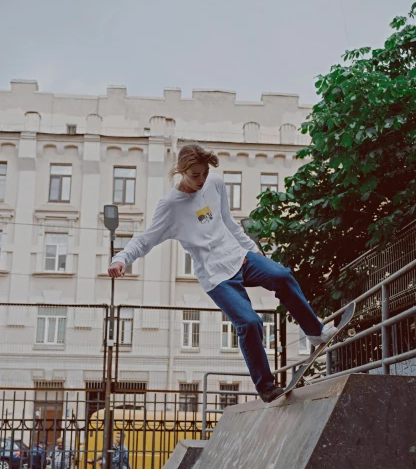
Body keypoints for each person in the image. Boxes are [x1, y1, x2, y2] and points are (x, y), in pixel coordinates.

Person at [108, 143, 336, 403]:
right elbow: (145, 239)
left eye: (205, 173)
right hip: (216, 276)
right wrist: (121, 258)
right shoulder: (170, 206)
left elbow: (229, 222)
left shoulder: (214, 184)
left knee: (282, 276)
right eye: (195, 175)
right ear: (181, 171)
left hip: (239, 256)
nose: (201, 180)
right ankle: (266, 386)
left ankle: (315, 332)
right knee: (249, 323)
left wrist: (254, 250)